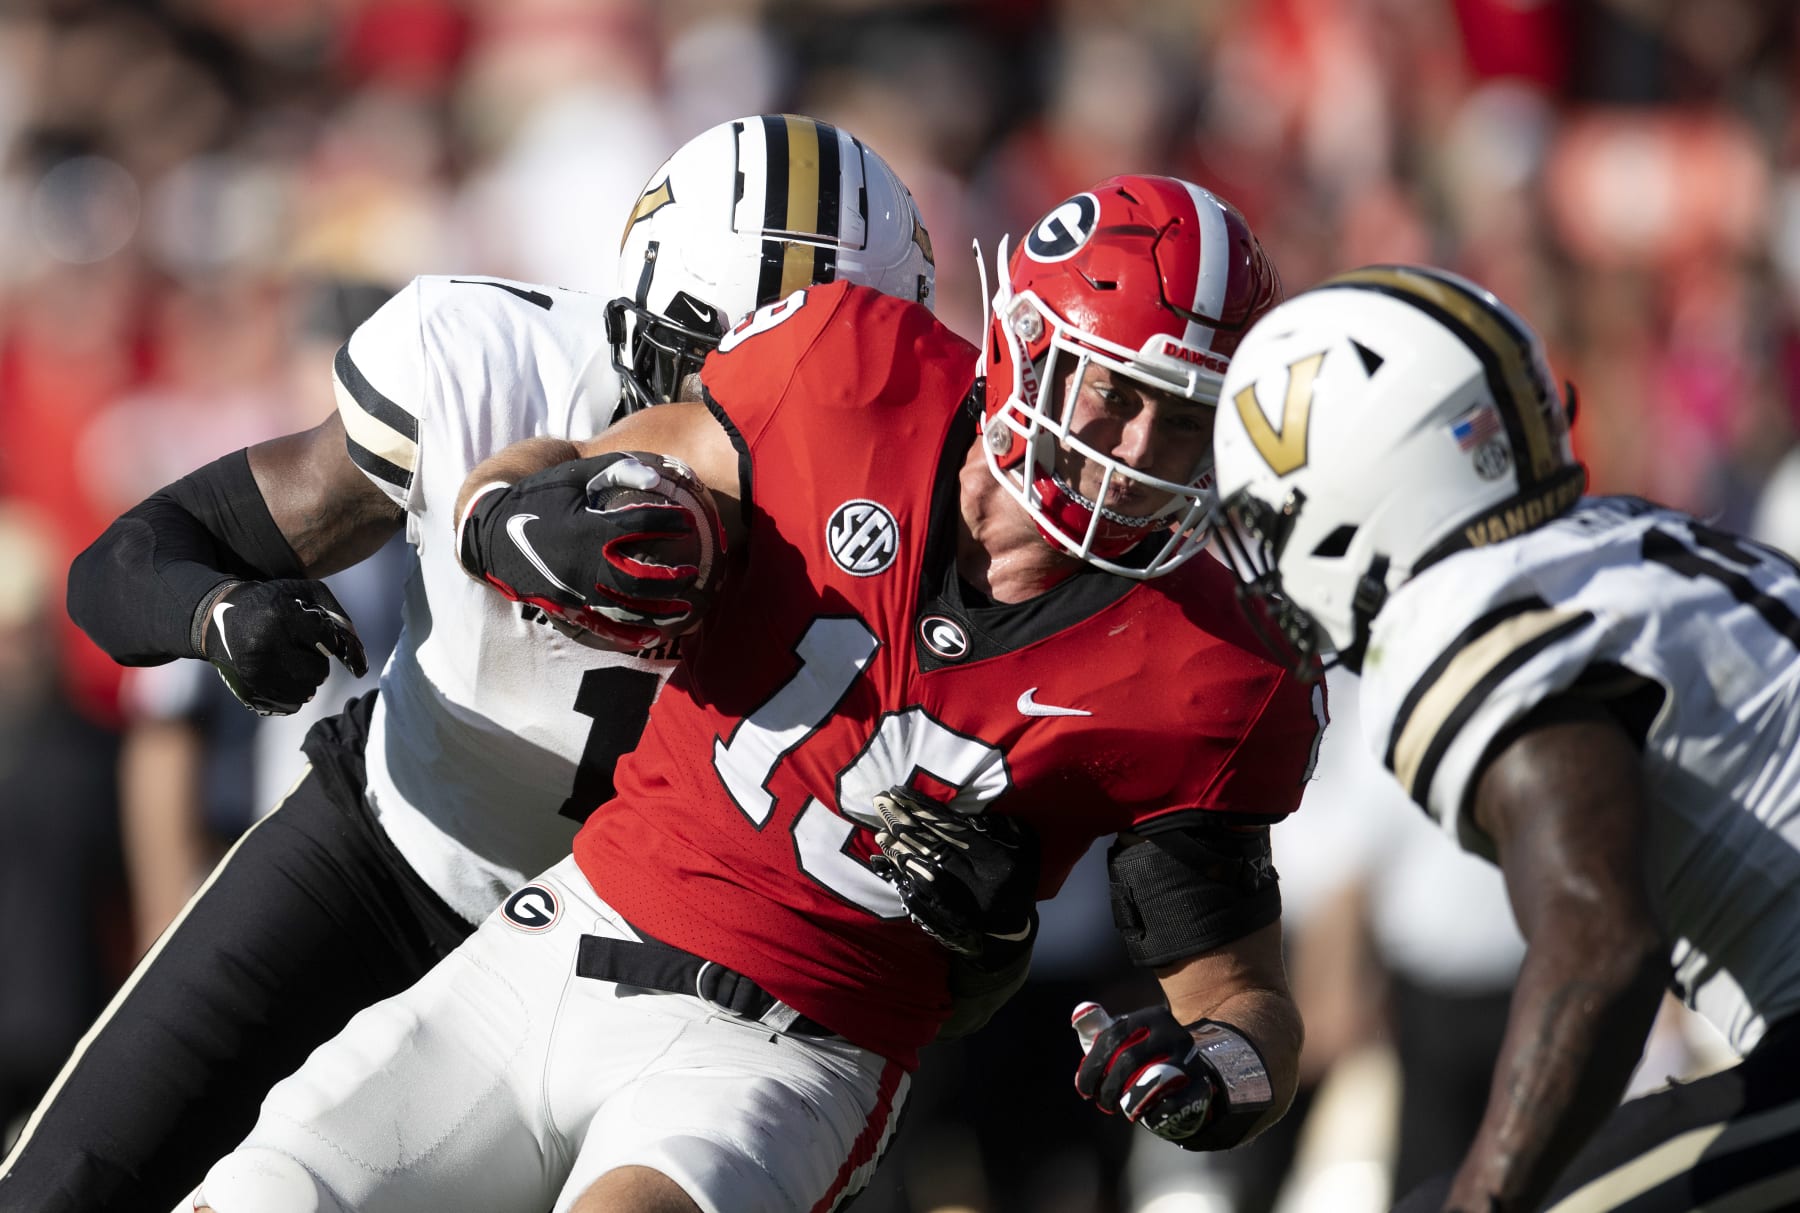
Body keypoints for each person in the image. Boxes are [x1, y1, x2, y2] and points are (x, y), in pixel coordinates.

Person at [185, 175, 1325, 1213]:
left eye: (1186, 419)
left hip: (786, 1054)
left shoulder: (1209, 663)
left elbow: (1243, 996)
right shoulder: (847, 373)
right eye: (1116, 393)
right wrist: (505, 520)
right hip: (568, 933)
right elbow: (557, 467)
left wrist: (1212, 1071)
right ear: (1027, 344)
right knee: (269, 1189)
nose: (1140, 451)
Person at [4, 114, 935, 1213]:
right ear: (643, 319)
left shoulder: (922, 524)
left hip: (662, 968)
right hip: (390, 863)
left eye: (821, 384)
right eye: (738, 372)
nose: (765, 426)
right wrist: (219, 613)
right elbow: (127, 562)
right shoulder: (492, 367)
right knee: (70, 1184)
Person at [1210, 264, 1800, 1212]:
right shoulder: (1616, 537)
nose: (1266, 566)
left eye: (1269, 524)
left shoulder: (1447, 618)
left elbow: (1603, 940)